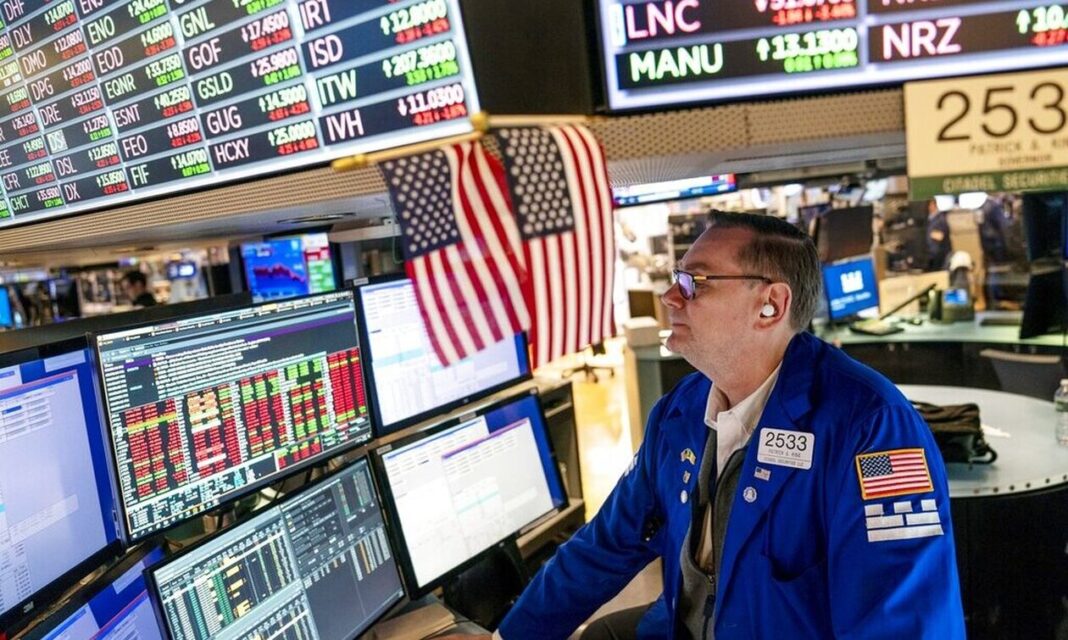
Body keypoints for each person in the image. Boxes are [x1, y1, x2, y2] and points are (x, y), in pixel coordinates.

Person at [456, 211, 964, 639]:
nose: (669, 298)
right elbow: (605, 545)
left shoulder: (872, 429)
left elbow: (904, 622)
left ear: (771, 305)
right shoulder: (680, 410)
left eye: (693, 283)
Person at [925, 198, 952, 271]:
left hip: (940, 254)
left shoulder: (940, 219)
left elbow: (941, 236)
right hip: (934, 253)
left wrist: (930, 234)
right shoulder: (931, 219)